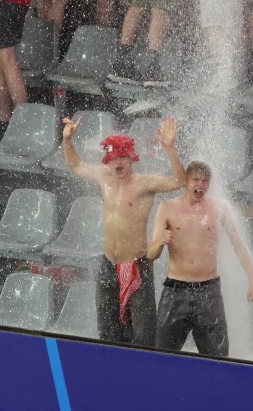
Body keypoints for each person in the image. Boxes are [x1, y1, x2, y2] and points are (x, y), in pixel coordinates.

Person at [61, 115, 186, 347]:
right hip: (108, 264)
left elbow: (180, 181)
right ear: (106, 161)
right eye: (113, 158)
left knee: (143, 337)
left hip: (138, 267)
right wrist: (67, 139)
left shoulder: (145, 184)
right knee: (107, 333)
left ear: (132, 158)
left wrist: (169, 147)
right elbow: (75, 165)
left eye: (122, 157)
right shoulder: (103, 177)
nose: (118, 163)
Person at [148, 161, 253, 357]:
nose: (200, 185)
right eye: (195, 180)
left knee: (217, 357)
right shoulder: (167, 208)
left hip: (208, 291)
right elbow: (151, 254)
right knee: (161, 355)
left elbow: (239, 245)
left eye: (205, 181)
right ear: (186, 181)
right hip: (175, 290)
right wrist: (160, 243)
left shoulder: (218, 208)